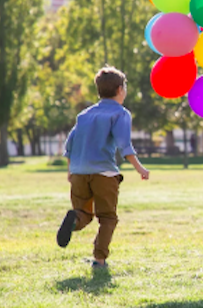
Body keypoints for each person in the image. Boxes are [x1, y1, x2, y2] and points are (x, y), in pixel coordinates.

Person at [56, 66, 151, 269]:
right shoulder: (120, 114)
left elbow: (69, 145)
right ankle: (99, 260)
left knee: (83, 213)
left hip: (79, 173)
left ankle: (74, 219)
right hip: (104, 174)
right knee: (107, 217)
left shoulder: (84, 115)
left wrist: (70, 172)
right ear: (119, 90)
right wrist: (140, 168)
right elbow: (124, 145)